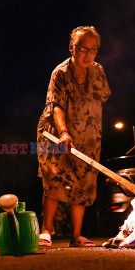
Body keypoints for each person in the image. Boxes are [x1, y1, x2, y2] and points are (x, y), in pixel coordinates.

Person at [37, 26, 111, 247]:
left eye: (93, 49)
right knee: (55, 178)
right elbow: (56, 106)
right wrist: (63, 133)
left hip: (87, 135)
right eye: (83, 49)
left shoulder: (98, 71)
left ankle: (76, 236)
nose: (88, 54)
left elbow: (101, 98)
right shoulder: (59, 73)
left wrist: (90, 130)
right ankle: (46, 231)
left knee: (84, 182)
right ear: (72, 48)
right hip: (55, 133)